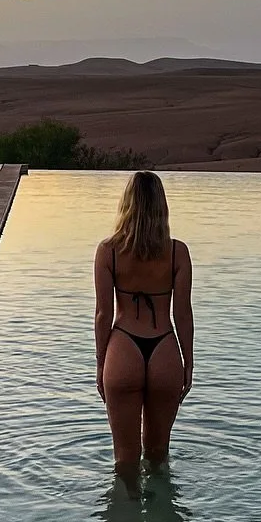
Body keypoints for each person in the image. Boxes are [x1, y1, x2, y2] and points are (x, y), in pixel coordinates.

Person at [94, 170, 193, 482]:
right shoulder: (178, 252)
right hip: (164, 348)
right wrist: (188, 364)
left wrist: (100, 365)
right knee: (158, 455)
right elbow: (183, 314)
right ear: (161, 207)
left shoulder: (108, 251)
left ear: (127, 205)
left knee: (125, 460)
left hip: (123, 349)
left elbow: (102, 315)